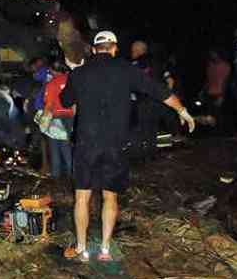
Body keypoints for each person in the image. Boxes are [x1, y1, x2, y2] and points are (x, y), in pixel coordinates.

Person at [60, 31, 194, 262]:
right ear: (114, 49)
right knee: (110, 197)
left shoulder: (80, 73)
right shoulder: (127, 70)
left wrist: (74, 73)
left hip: (86, 143)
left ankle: (81, 248)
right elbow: (160, 91)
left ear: (94, 49)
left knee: (82, 197)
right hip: (115, 144)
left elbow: (65, 101)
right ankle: (104, 249)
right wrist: (182, 110)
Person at [41, 60, 74, 180]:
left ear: (54, 71)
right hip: (70, 117)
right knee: (67, 147)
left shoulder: (51, 84)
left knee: (54, 148)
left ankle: (56, 176)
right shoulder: (72, 79)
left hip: (56, 118)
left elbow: (49, 104)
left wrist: (43, 120)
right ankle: (72, 175)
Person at [129, 40, 159, 156]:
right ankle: (152, 154)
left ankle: (138, 156)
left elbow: (132, 83)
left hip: (141, 101)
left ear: (139, 51)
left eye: (133, 50)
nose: (131, 52)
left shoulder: (135, 64)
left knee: (137, 129)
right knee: (152, 129)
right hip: (156, 100)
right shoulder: (156, 62)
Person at [205, 50, 231, 132]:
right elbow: (208, 79)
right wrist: (203, 90)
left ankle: (221, 131)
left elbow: (226, 81)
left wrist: (222, 95)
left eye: (214, 54)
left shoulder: (225, 65)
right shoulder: (210, 65)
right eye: (211, 54)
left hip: (220, 92)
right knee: (210, 113)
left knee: (219, 114)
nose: (213, 56)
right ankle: (212, 131)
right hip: (210, 92)